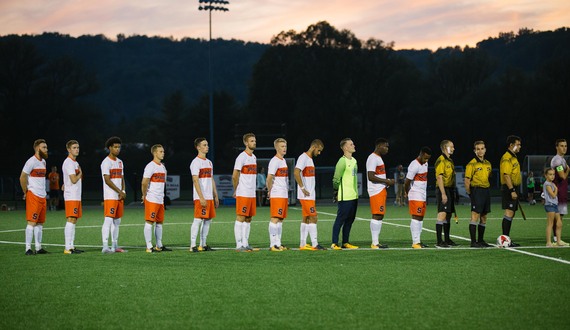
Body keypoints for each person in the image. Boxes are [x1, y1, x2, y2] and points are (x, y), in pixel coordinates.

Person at [294, 139, 326, 251]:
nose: (319, 153)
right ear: (314, 147)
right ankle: (314, 244)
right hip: (306, 195)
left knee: (306, 218)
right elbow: (296, 172)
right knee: (314, 217)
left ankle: (302, 244)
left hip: (309, 195)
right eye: (319, 150)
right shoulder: (303, 158)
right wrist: (303, 188)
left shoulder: (310, 159)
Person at [20, 139, 49, 255]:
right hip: (33, 195)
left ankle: (38, 247)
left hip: (42, 196)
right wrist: (25, 192)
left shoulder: (43, 162)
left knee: (40, 223)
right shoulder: (31, 161)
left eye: (46, 147)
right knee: (32, 222)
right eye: (44, 147)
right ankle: (28, 248)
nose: (46, 150)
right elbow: (22, 177)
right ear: (38, 148)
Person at [190, 138, 219, 252]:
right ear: (198, 147)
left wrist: (215, 195)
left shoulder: (209, 162)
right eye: (204, 145)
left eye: (207, 145)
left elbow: (211, 179)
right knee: (198, 220)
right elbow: (195, 180)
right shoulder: (195, 162)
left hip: (209, 196)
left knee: (208, 220)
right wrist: (201, 197)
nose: (207, 147)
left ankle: (203, 244)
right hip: (200, 197)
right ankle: (192, 245)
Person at [366, 138, 394, 249]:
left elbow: (378, 175)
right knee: (377, 214)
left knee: (380, 215)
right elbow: (371, 176)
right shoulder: (373, 158)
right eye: (385, 146)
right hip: (376, 191)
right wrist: (386, 181)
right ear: (379, 146)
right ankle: (375, 243)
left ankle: (376, 242)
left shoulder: (378, 158)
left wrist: (386, 181)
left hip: (381, 190)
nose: (387, 149)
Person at [142, 144, 171, 253]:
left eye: (163, 151)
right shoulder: (150, 166)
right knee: (149, 221)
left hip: (160, 199)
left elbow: (164, 182)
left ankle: (159, 245)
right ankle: (149, 246)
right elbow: (144, 182)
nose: (163, 153)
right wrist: (144, 195)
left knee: (159, 222)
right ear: (155, 153)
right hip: (152, 198)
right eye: (160, 151)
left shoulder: (162, 167)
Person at [331, 138, 359, 250]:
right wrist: (336, 191)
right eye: (351, 144)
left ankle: (345, 242)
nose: (354, 145)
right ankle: (334, 243)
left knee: (350, 220)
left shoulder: (354, 161)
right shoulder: (342, 161)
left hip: (354, 196)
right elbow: (336, 179)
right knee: (340, 220)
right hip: (345, 196)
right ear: (345, 147)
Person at [464, 141, 492, 248]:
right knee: (475, 215)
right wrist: (470, 194)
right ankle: (473, 242)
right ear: (474, 151)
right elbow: (467, 181)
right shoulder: (471, 164)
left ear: (485, 150)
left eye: (482, 148)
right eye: (478, 149)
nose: (480, 151)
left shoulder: (488, 163)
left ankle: (481, 240)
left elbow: (489, 177)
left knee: (484, 216)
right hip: (476, 190)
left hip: (486, 190)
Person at [100, 136, 126, 254]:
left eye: (119, 147)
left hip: (119, 196)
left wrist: (123, 191)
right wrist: (119, 191)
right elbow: (107, 180)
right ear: (109, 148)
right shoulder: (106, 162)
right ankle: (105, 246)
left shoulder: (120, 162)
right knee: (108, 220)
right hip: (110, 196)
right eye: (115, 147)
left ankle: (115, 245)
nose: (117, 149)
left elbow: (122, 178)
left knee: (117, 221)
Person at [233, 133, 258, 252]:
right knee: (241, 217)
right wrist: (236, 189)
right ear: (246, 143)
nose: (254, 142)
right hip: (243, 192)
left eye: (254, 141)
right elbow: (235, 176)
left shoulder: (253, 157)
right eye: (251, 141)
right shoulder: (241, 157)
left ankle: (245, 243)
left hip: (251, 193)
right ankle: (238, 245)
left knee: (248, 218)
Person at [404, 147, 432, 249]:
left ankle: (418, 241)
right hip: (415, 194)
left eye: (428, 159)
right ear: (421, 154)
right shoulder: (414, 165)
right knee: (416, 216)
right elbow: (407, 182)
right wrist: (408, 193)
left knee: (420, 217)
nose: (426, 160)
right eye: (425, 158)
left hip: (422, 195)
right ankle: (415, 242)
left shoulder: (425, 163)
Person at [266, 138, 289, 251]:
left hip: (283, 194)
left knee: (280, 219)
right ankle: (272, 244)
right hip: (277, 194)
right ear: (276, 148)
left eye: (285, 146)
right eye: (281, 146)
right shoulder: (274, 161)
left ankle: (278, 243)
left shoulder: (283, 161)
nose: (284, 148)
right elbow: (269, 178)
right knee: (275, 218)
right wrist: (270, 190)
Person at [62, 140, 84, 254]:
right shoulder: (69, 162)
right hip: (71, 196)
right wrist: (80, 172)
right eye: (74, 147)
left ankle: (72, 246)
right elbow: (74, 179)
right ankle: (67, 247)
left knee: (74, 220)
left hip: (76, 195)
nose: (77, 149)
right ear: (69, 149)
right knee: (71, 219)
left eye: (78, 147)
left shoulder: (74, 163)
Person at [500, 135, 522, 247]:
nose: (520, 147)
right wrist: (512, 190)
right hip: (509, 188)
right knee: (509, 212)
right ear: (511, 145)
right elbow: (506, 175)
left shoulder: (513, 157)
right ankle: (505, 240)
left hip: (514, 188)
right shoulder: (507, 157)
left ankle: (506, 239)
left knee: (511, 213)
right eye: (518, 144)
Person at [434, 140, 457, 247]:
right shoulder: (441, 160)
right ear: (445, 147)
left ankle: (447, 239)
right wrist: (443, 193)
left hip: (449, 189)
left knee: (448, 215)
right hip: (443, 189)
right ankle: (439, 241)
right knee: (442, 214)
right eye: (451, 146)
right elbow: (439, 177)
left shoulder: (450, 161)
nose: (453, 148)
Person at [551, 139, 569, 245]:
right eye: (561, 146)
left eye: (565, 146)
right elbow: (562, 176)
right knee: (557, 215)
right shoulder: (557, 160)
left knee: (560, 215)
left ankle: (557, 238)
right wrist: (568, 170)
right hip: (558, 191)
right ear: (556, 147)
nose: (564, 148)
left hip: (562, 191)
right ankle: (556, 239)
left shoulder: (562, 160)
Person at [543, 168, 563, 247]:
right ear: (546, 175)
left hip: (555, 205)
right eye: (550, 174)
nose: (552, 176)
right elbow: (553, 195)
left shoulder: (551, 183)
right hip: (550, 205)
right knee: (550, 224)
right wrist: (557, 189)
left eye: (553, 174)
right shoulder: (547, 184)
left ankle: (558, 241)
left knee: (559, 223)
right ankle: (548, 242)